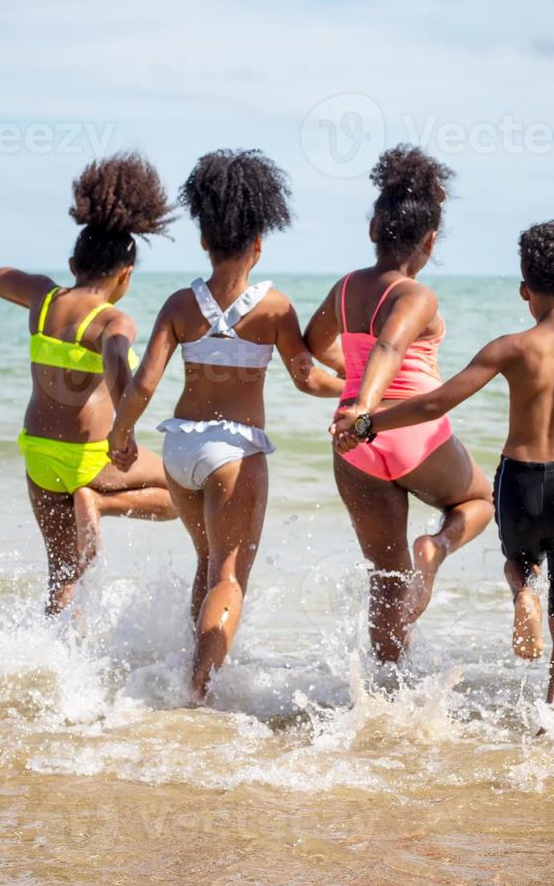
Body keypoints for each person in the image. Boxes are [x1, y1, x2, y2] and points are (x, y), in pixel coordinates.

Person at [334, 221, 554, 705]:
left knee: (520, 559)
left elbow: (436, 402)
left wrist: (368, 424)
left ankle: (523, 590)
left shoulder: (508, 347)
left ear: (525, 291)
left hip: (517, 481)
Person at [107, 150, 343, 702]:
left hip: (180, 451)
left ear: (204, 241)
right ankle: (196, 693)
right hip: (233, 453)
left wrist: (121, 436)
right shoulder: (274, 308)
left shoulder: (179, 304)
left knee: (208, 565)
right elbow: (307, 378)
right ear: (259, 242)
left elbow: (143, 383)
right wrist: (357, 390)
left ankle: (190, 668)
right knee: (230, 578)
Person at [303, 145, 494, 664]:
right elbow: (390, 346)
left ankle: (387, 689)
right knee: (479, 502)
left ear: (373, 229)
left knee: (385, 577)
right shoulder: (417, 296)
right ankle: (436, 548)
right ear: (430, 242)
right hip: (404, 430)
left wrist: (349, 392)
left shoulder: (345, 288)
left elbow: (314, 343)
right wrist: (366, 410)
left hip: (354, 445)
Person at [0, 152, 179, 616]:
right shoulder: (113, 318)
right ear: (126, 275)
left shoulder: (44, 299)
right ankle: (99, 503)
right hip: (88, 459)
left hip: (38, 453)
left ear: (73, 262)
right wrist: (124, 432)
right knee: (182, 490)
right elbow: (115, 358)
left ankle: (55, 664)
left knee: (63, 570)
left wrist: (44, 287)